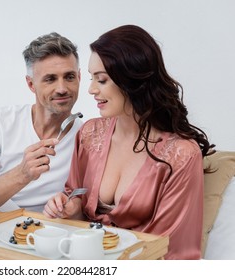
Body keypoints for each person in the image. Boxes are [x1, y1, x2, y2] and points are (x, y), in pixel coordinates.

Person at [43, 25, 215, 260]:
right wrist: (68, 209)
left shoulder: (181, 154)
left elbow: (172, 249)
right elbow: (76, 201)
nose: (92, 89)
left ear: (132, 81)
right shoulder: (90, 133)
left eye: (101, 80)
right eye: (92, 78)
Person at [0, 32, 82, 215]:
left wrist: (72, 211)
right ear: (31, 84)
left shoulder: (89, 137)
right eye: (50, 79)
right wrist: (22, 174)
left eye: (70, 77)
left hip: (44, 232)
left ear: (79, 77)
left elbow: (87, 208)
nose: (62, 88)